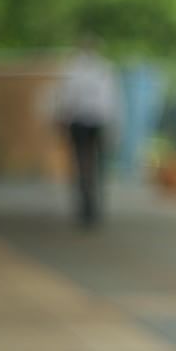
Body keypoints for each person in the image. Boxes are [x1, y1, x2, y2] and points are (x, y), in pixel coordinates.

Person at [53, 38, 122, 227]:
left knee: (87, 163)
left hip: (90, 121)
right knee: (87, 163)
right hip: (86, 121)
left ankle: (90, 204)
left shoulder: (84, 69)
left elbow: (110, 100)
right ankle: (88, 204)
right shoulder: (91, 69)